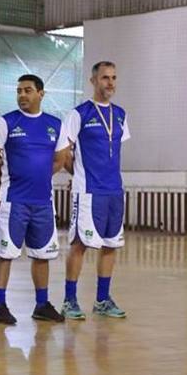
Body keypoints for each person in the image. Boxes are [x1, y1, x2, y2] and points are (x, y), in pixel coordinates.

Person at [0, 74, 65, 325]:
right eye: (18, 91)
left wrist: (39, 176)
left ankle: (42, 304)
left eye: (27, 90)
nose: (22, 95)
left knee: (42, 255)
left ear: (41, 93)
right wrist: (7, 179)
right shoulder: (6, 122)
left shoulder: (55, 124)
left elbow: (60, 159)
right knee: (6, 253)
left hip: (43, 201)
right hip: (14, 201)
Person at [57, 61, 130, 319]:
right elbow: (64, 153)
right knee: (80, 244)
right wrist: (76, 175)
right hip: (88, 191)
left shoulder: (121, 114)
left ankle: (102, 300)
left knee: (111, 245)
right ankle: (69, 299)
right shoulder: (79, 114)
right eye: (104, 78)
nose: (110, 82)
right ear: (93, 81)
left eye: (113, 77)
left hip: (114, 190)